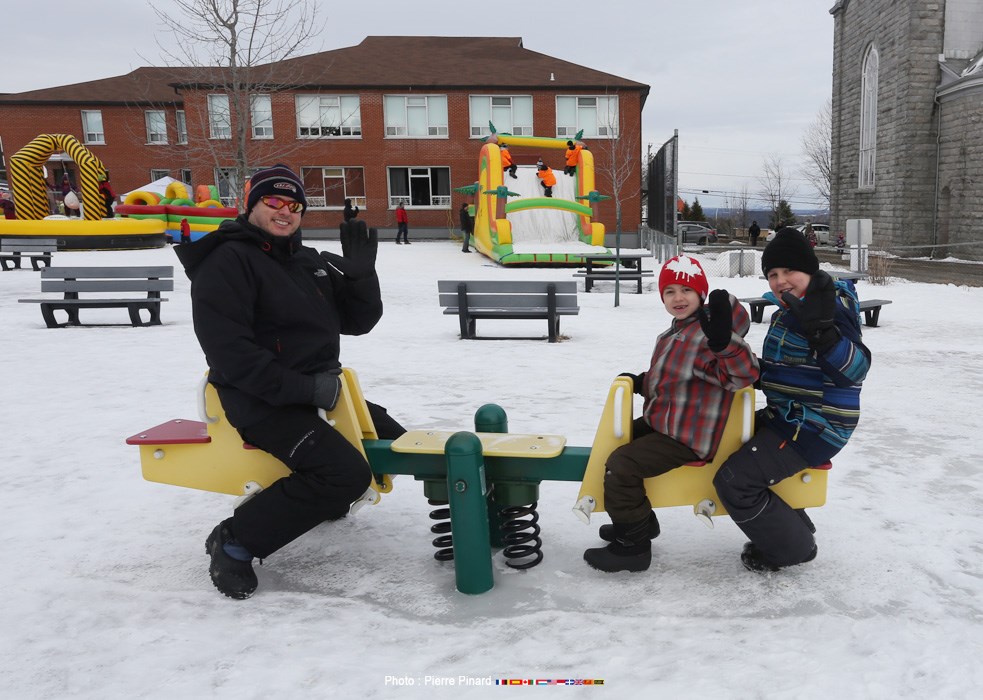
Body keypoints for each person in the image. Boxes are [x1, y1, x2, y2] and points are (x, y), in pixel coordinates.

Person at [173, 164, 407, 599]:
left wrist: (361, 277)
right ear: (253, 204)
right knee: (344, 473)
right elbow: (231, 354)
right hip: (258, 399)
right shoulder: (227, 262)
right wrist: (303, 390)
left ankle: (323, 500)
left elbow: (357, 322)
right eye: (273, 201)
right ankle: (235, 541)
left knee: (396, 442)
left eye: (294, 205)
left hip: (320, 392)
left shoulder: (304, 261)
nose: (285, 212)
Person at [583, 255, 759, 573]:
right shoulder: (677, 332)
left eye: (686, 290)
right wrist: (643, 382)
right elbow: (675, 376)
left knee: (622, 465)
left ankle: (633, 546)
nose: (678, 298)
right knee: (610, 447)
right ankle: (637, 522)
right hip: (665, 421)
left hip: (688, 434)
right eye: (670, 292)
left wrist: (724, 344)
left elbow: (743, 375)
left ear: (701, 294)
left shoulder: (710, 336)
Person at [713, 228, 871, 573]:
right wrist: (731, 355)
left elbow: (856, 369)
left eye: (789, 272)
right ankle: (791, 523)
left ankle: (790, 548)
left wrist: (825, 336)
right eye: (773, 274)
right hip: (788, 413)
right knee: (718, 438)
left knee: (734, 480)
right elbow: (783, 368)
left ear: (810, 272)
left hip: (818, 425)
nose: (781, 281)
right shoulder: (789, 310)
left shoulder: (829, 306)